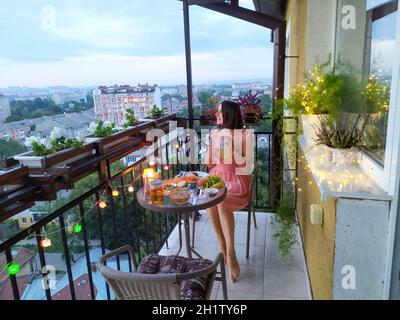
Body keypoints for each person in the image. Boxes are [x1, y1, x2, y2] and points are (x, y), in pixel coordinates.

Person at [205, 100, 254, 283]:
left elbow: (246, 166)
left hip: (237, 178)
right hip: (218, 175)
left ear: (229, 115)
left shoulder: (244, 135)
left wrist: (231, 148)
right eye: (216, 112)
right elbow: (210, 164)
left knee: (222, 200)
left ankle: (231, 252)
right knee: (210, 196)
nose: (216, 115)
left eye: (220, 112)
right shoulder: (215, 133)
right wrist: (213, 145)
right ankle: (222, 244)